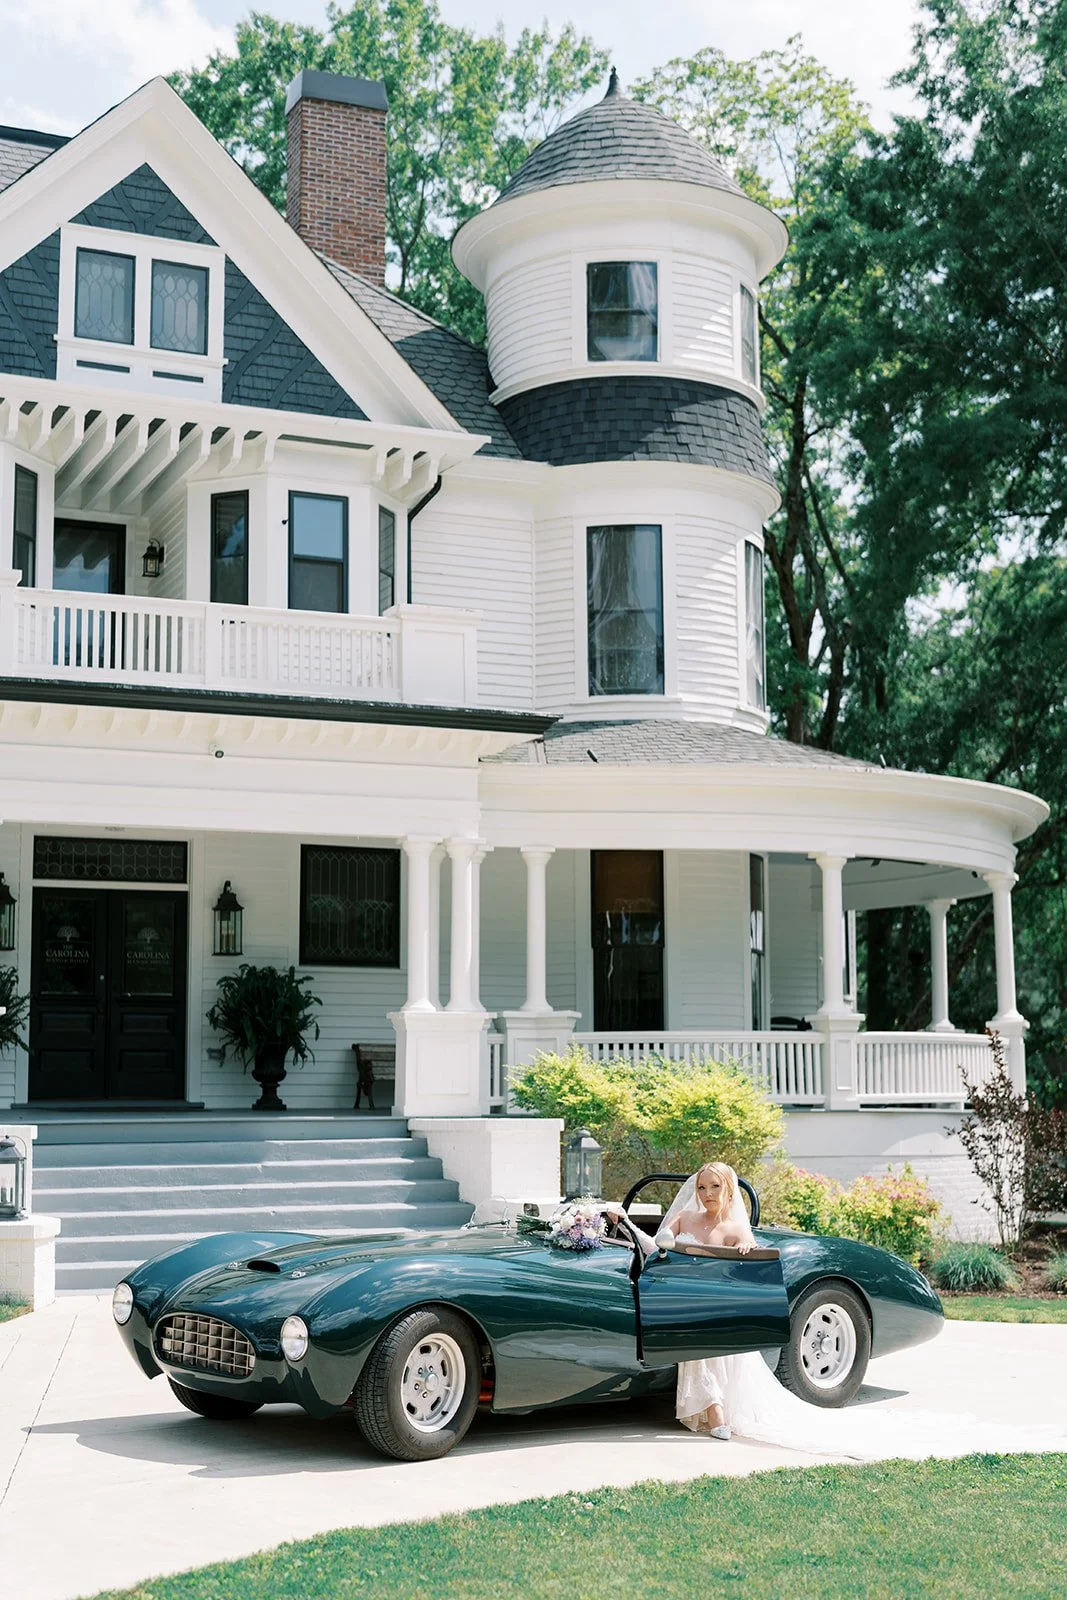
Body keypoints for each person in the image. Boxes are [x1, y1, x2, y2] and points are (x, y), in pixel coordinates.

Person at [605, 1166, 1067, 1459]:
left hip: (718, 1303)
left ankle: (717, 1412)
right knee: (698, 1345)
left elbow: (748, 1251)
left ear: (727, 1190)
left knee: (708, 1347)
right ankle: (713, 1412)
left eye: (713, 1187)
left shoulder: (732, 1224)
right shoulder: (683, 1219)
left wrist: (747, 1247)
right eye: (701, 1186)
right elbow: (656, 1244)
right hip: (687, 1299)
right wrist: (620, 1222)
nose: (705, 1193)